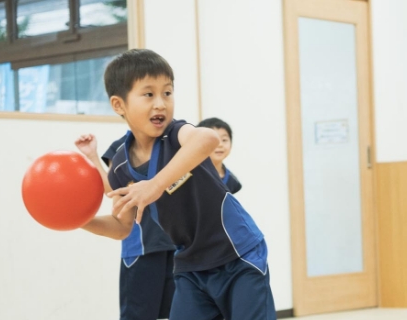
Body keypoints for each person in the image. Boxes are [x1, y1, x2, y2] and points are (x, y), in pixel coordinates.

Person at [81, 48, 275, 320]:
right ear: (119, 105)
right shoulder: (121, 165)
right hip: (190, 265)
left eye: (167, 93)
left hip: (238, 253)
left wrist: (155, 184)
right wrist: (80, 220)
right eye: (148, 94)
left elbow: (207, 139)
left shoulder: (177, 133)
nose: (160, 103)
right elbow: (122, 226)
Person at [75, 134, 175, 320]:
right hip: (141, 248)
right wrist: (92, 156)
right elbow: (114, 189)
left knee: (171, 314)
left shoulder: (171, 141)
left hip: (175, 246)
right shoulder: (122, 147)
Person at [197, 117, 242, 194]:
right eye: (213, 140)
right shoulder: (192, 175)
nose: (220, 144)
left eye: (224, 140)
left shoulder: (232, 181)